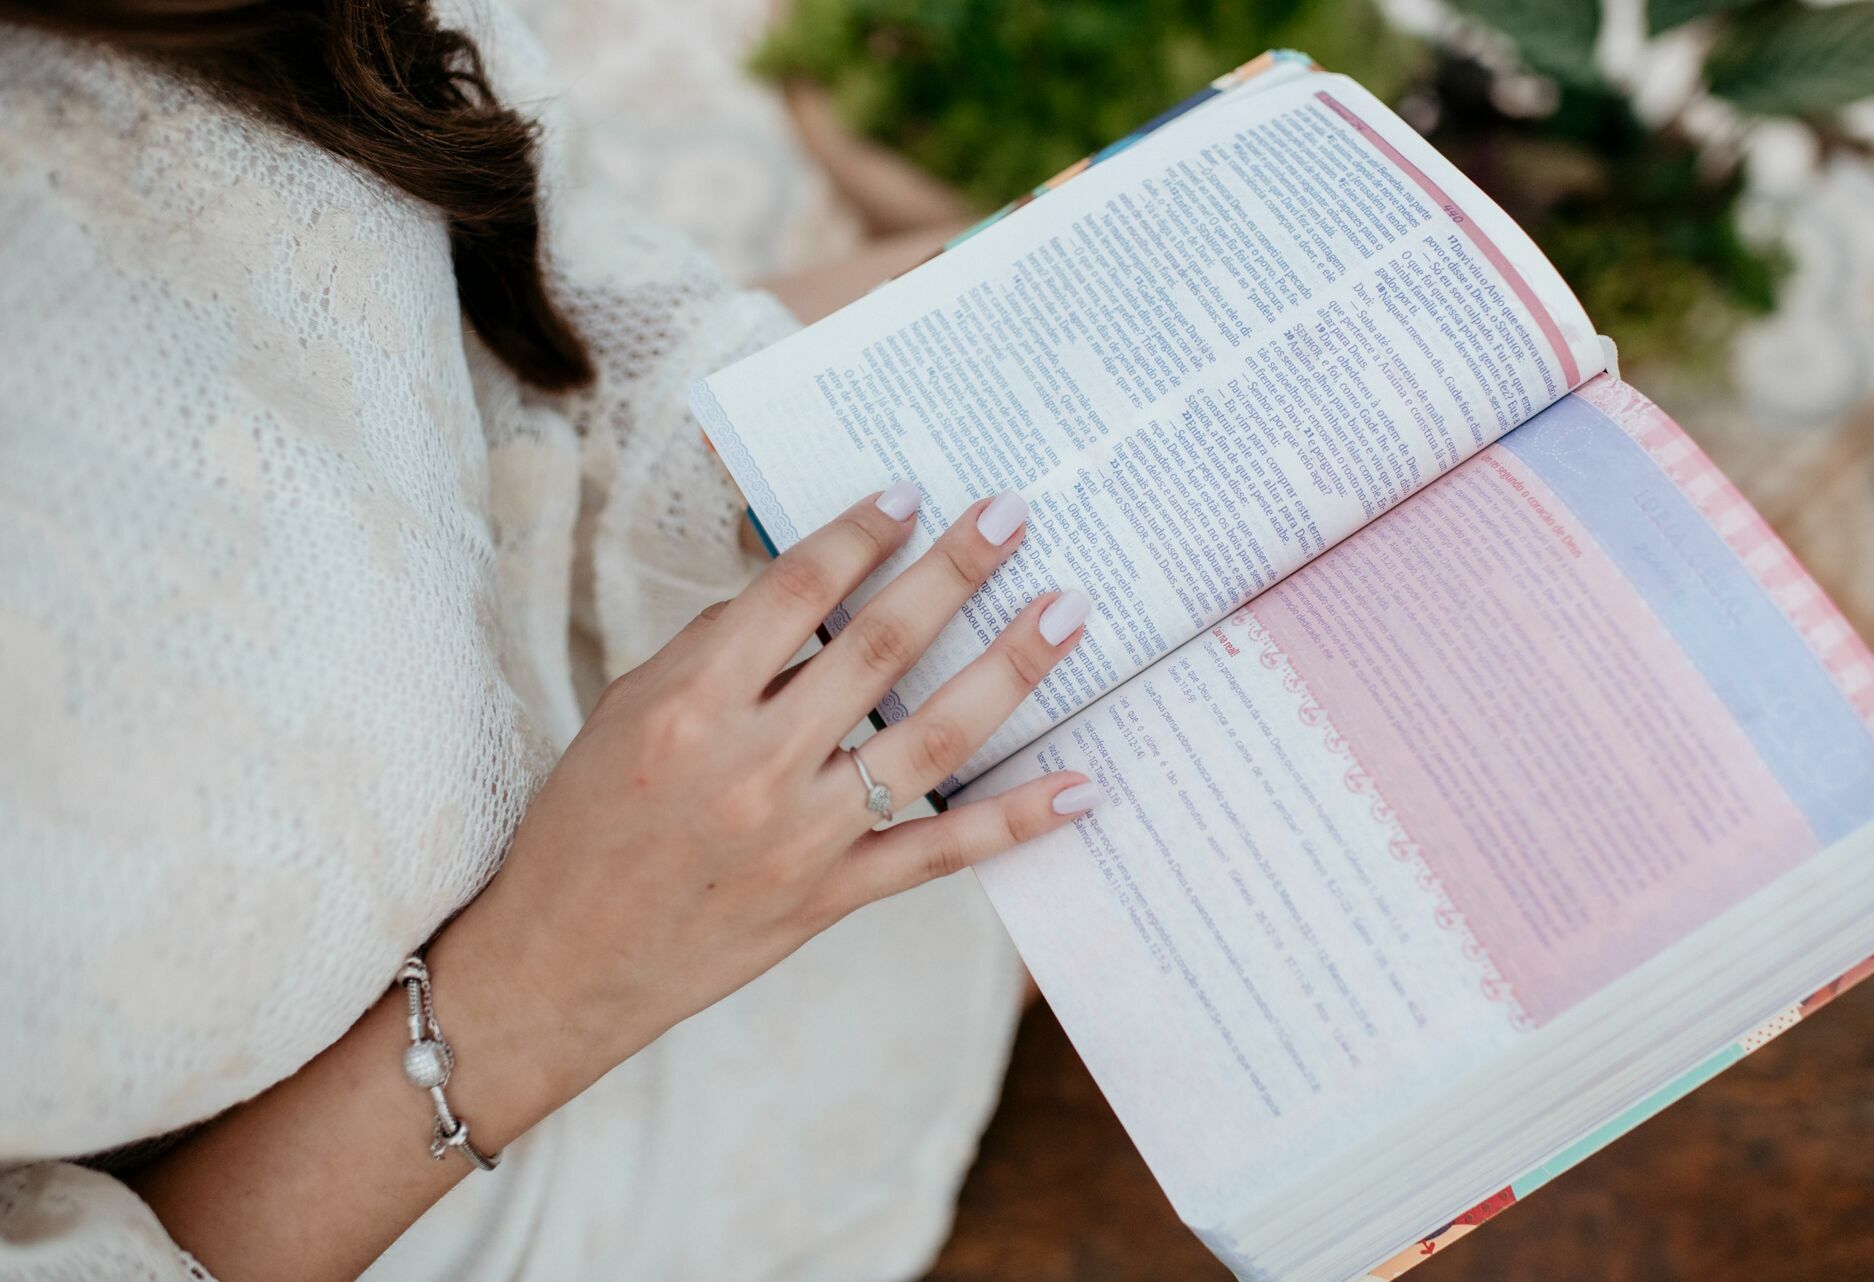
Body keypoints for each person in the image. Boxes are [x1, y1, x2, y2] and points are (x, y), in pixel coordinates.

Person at [0, 2, 1101, 1278]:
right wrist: (549, 984)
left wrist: (804, 471)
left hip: (646, 662)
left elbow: (531, 275)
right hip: (424, 1169)